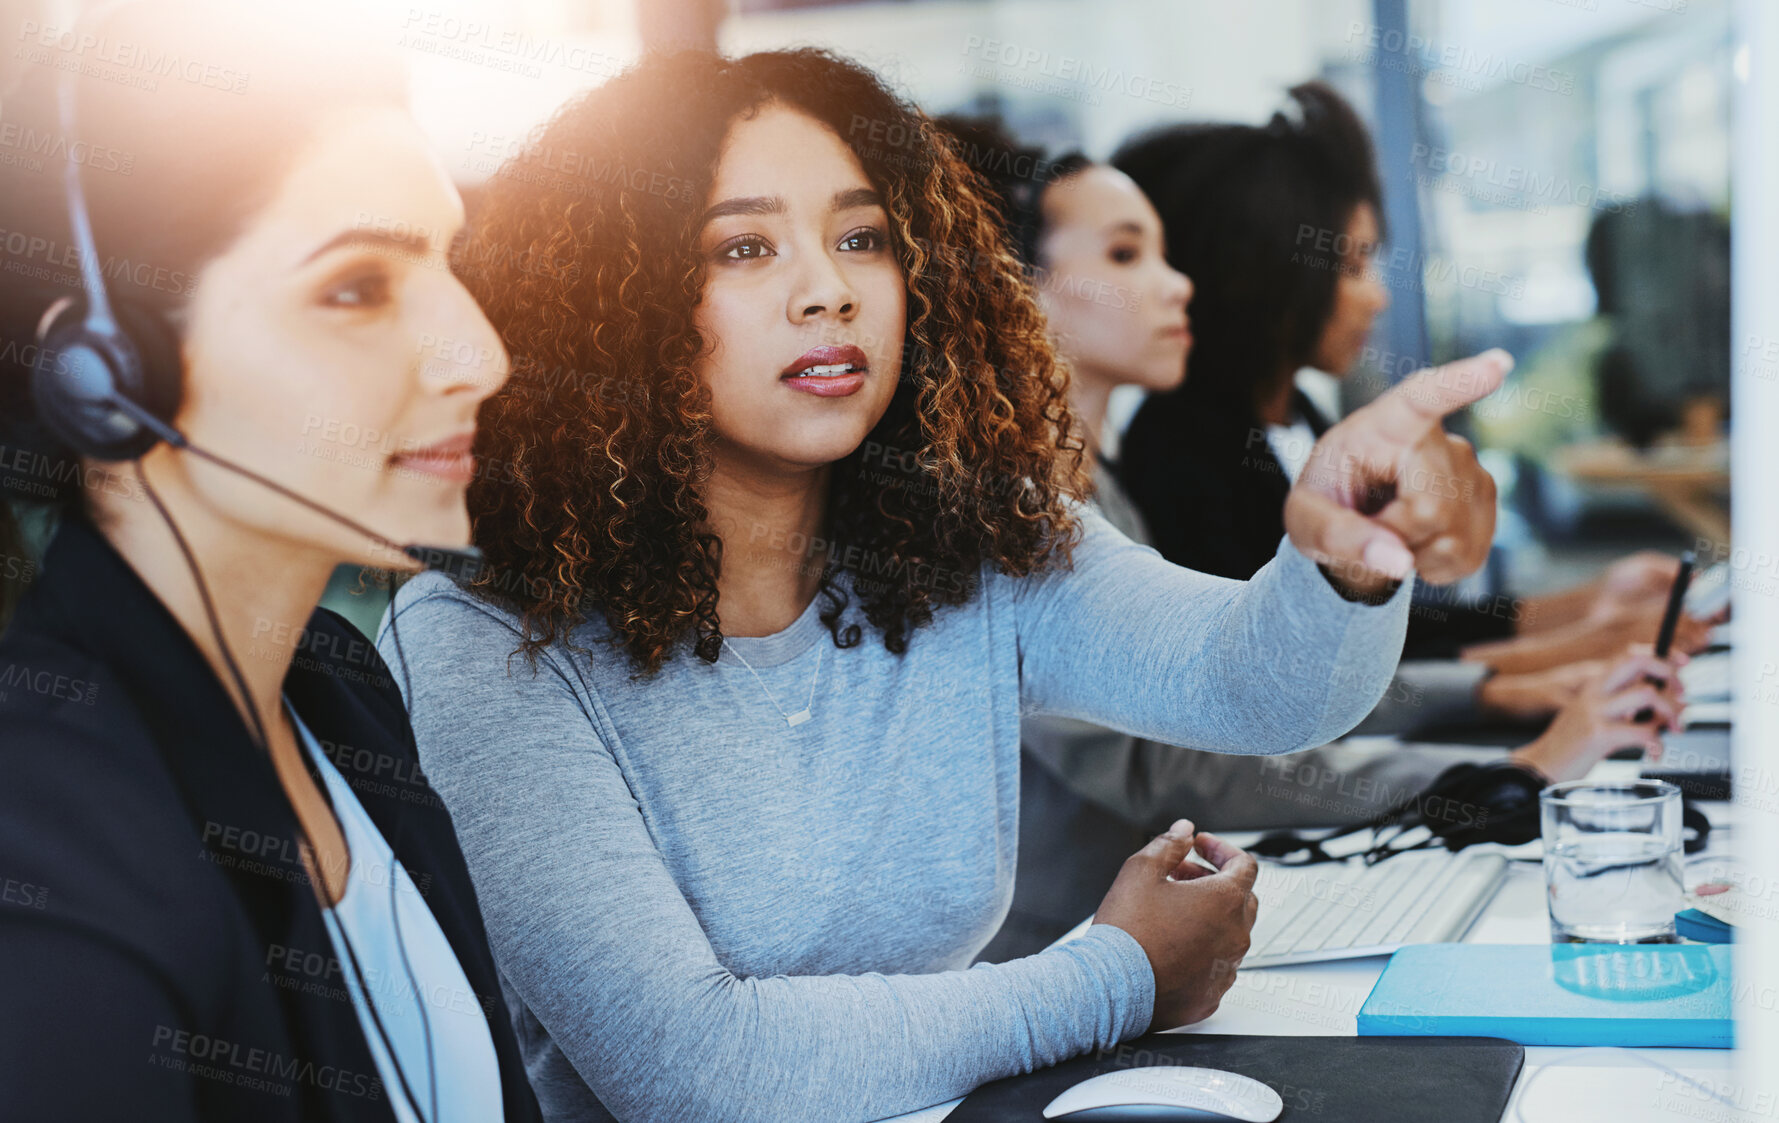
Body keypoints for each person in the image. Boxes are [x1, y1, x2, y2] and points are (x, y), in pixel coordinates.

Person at [384, 48, 1501, 1123]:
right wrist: (1118, 974)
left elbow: (1255, 686)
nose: (828, 292)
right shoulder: (485, 635)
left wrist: (1346, 558)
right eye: (742, 250)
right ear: (603, 301)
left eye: (863, 237)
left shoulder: (965, 538)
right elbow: (699, 1073)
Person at [937, 125, 1686, 959]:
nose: (1175, 283)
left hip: (1155, 924)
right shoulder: (1010, 507)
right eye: (1123, 255)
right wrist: (1495, 768)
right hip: (1065, 951)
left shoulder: (1097, 482)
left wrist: (1491, 703)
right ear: (1009, 286)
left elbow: (1256, 678)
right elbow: (1166, 762)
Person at [0, 4, 540, 1119]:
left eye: (450, 263)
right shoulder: (51, 858)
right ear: (105, 371)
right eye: (356, 289)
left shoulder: (341, 687)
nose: (481, 354)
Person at [1113, 82, 1719, 673]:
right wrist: (1587, 643)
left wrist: (1590, 605)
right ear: (1267, 276)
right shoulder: (1182, 447)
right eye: (1351, 266)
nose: (1376, 298)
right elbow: (1308, 675)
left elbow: (1392, 633)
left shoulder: (1297, 416)